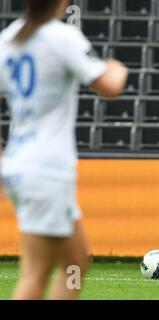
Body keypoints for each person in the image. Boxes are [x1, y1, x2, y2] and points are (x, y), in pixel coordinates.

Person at [0, 0, 128, 299]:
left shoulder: (8, 38)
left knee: (76, 262)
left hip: (22, 164)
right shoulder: (61, 36)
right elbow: (109, 86)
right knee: (35, 273)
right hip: (46, 169)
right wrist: (116, 67)